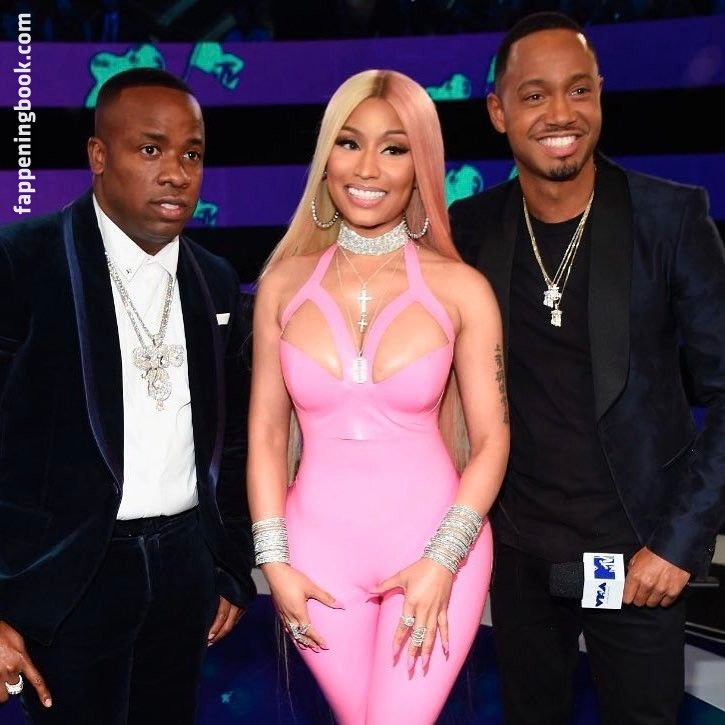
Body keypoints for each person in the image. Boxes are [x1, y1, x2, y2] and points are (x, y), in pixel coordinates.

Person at [449, 11, 725, 725]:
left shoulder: (668, 219)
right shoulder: (468, 230)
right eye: (534, 95)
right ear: (498, 112)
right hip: (518, 556)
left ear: (600, 94)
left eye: (578, 90)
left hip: (638, 560)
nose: (561, 113)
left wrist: (676, 545)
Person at [247, 69, 509, 724]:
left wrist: (442, 560)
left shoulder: (462, 289)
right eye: (349, 142)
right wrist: (273, 560)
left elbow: (492, 439)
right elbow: (266, 436)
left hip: (435, 547)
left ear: (421, 164)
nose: (367, 167)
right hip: (314, 556)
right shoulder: (281, 284)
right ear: (325, 157)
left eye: (394, 148)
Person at [0, 68, 256, 723]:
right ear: (98, 155)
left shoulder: (214, 279)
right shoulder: (21, 261)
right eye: (150, 149)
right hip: (65, 580)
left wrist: (229, 564)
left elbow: (230, 436)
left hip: (184, 571)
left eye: (191, 154)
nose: (175, 173)